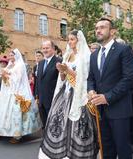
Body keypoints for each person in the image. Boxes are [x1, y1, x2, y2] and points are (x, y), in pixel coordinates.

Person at [39, 30, 99, 159]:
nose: (70, 42)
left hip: (78, 94)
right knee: (59, 121)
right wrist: (61, 72)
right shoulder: (67, 55)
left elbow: (85, 78)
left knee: (78, 123)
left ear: (79, 40)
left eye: (72, 39)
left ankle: (77, 152)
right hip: (65, 92)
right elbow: (63, 77)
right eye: (68, 40)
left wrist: (68, 70)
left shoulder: (84, 56)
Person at [87, 18, 133, 159]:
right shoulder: (94, 55)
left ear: (113, 31)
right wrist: (90, 90)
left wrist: (107, 97)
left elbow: (128, 79)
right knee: (106, 149)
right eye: (96, 28)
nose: (98, 30)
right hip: (100, 111)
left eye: (102, 27)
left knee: (123, 148)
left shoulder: (124, 50)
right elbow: (91, 78)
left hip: (119, 109)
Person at [0, 48, 42, 143]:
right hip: (9, 91)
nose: (10, 57)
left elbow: (18, 79)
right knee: (9, 113)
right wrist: (0, 70)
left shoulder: (20, 65)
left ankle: (17, 135)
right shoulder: (10, 65)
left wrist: (6, 75)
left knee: (17, 114)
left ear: (16, 56)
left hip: (18, 92)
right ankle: (9, 132)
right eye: (10, 55)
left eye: (12, 55)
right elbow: (3, 73)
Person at [35, 41, 62, 128]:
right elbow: (38, 81)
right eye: (43, 48)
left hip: (54, 99)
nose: (45, 50)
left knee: (54, 125)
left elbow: (62, 81)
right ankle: (46, 140)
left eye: (47, 48)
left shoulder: (59, 61)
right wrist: (37, 96)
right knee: (45, 124)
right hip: (41, 100)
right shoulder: (41, 63)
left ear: (53, 49)